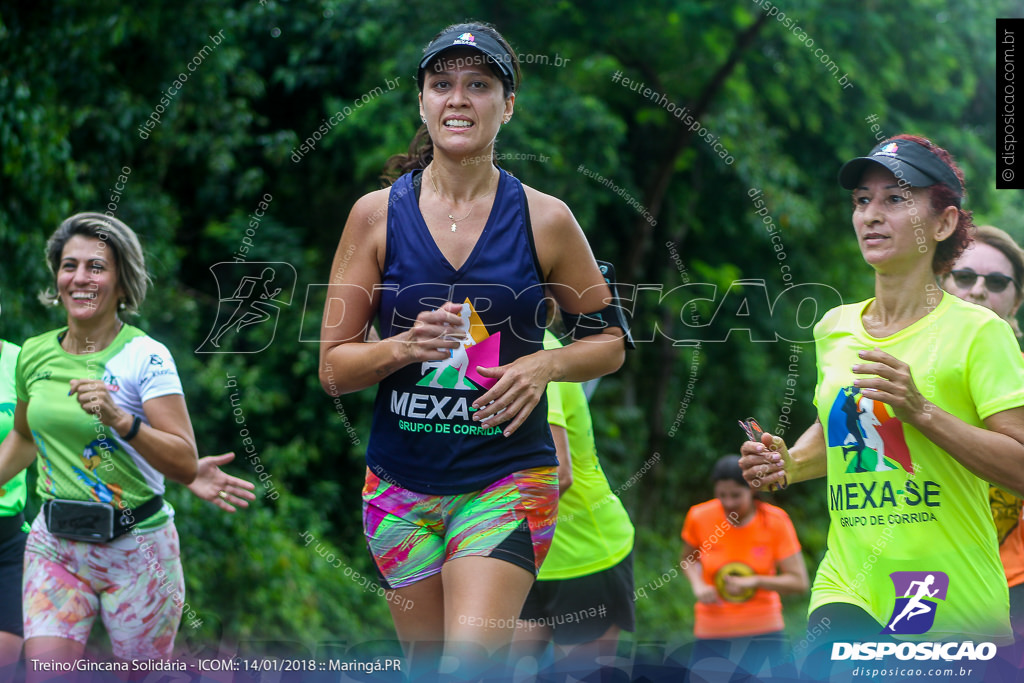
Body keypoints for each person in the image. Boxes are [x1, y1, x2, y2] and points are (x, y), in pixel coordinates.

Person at [318, 21, 626, 679]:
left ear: (507, 105)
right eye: (442, 84)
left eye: (478, 84)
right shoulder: (374, 215)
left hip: (507, 478)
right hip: (398, 485)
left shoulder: (545, 217)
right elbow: (334, 368)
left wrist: (546, 361)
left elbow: (608, 342)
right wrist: (402, 345)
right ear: (422, 102)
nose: (458, 98)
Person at [739, 136, 1024, 672]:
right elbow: (844, 434)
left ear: (942, 225)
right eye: (862, 200)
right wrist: (786, 462)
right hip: (849, 585)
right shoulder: (835, 328)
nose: (871, 214)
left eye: (895, 199)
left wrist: (922, 413)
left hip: (949, 596)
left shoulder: (980, 333)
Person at [0, 212, 248, 674]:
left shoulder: (145, 356)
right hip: (55, 544)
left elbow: (183, 460)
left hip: (138, 552)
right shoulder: (33, 352)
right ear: (56, 277)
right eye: (69, 265)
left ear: (122, 282)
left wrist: (120, 420)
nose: (80, 278)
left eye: (97, 266)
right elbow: (23, 437)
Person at [512, 329, 635, 681]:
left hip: (586, 555)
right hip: (527, 555)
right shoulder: (488, 348)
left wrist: (479, 529)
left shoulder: (539, 351)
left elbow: (557, 475)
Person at [940, 225, 1024, 643]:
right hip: (925, 575)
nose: (976, 291)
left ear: (1018, 298)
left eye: (995, 281)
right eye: (964, 276)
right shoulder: (911, 374)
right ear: (942, 283)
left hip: (1014, 579)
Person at [680, 455, 807, 681]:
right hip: (712, 632)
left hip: (763, 633)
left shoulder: (775, 521)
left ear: (753, 491)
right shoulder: (699, 517)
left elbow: (799, 582)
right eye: (722, 496)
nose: (728, 502)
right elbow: (688, 560)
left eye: (736, 496)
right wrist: (698, 585)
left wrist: (756, 581)